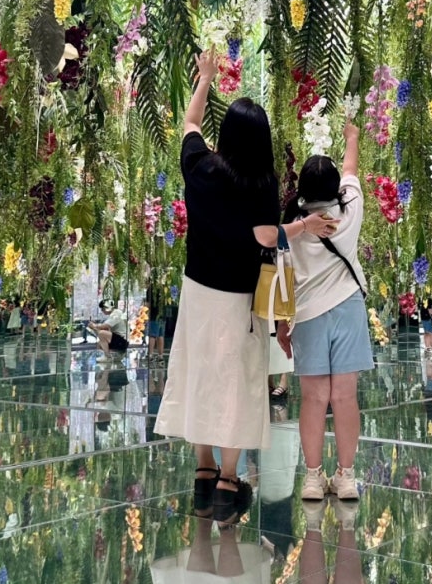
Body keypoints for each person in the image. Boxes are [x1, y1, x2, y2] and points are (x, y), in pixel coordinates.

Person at [153, 49, 331, 523]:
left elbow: (190, 123)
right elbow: (266, 237)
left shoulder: (200, 167)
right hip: (240, 300)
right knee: (235, 382)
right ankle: (229, 482)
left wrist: (206, 77)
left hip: (198, 292)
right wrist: (304, 227)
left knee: (199, 373)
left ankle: (203, 473)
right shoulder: (261, 184)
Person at [276, 121, 374, 502]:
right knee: (345, 396)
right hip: (348, 309)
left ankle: (313, 479)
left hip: (308, 316)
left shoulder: (293, 224)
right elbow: (351, 168)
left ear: (301, 189)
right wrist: (352, 136)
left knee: (314, 398)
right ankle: (346, 477)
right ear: (335, 189)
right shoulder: (350, 210)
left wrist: (282, 325)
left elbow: (283, 275)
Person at [145, 280, 166, 365]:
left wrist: (145, 311)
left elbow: (148, 305)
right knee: (160, 335)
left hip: (154, 315)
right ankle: (160, 356)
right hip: (162, 315)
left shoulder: (150, 289)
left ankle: (150, 355)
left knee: (152, 335)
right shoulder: (163, 288)